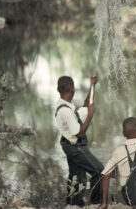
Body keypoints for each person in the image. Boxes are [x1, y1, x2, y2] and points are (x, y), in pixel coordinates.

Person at [55, 76, 104, 208]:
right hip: (75, 147)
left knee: (77, 177)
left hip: (69, 144)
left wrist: (92, 85)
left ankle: (73, 204)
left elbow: (87, 103)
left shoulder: (66, 103)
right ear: (72, 90)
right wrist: (90, 115)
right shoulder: (66, 111)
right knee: (99, 171)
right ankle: (95, 203)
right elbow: (79, 133)